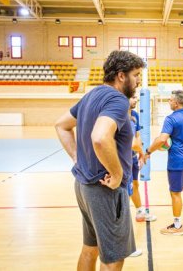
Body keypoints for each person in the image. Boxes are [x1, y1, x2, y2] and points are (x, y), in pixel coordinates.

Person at [54, 50, 145, 270]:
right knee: (113, 258)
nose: (139, 80)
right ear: (121, 76)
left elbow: (61, 125)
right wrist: (117, 174)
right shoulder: (118, 100)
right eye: (136, 75)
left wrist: (77, 157)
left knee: (90, 249)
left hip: (84, 185)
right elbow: (100, 137)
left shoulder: (91, 95)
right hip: (105, 190)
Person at [145, 90, 183, 236]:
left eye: (170, 100)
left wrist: (148, 151)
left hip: (177, 161)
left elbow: (162, 139)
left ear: (176, 102)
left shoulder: (171, 119)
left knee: (175, 193)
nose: (169, 102)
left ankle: (177, 226)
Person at [128, 94, 157, 223]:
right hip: (123, 158)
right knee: (124, 187)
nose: (135, 100)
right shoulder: (119, 114)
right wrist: (140, 150)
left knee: (135, 184)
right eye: (133, 97)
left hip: (133, 156)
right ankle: (119, 216)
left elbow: (137, 135)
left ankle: (140, 212)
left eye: (136, 98)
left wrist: (140, 152)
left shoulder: (135, 115)